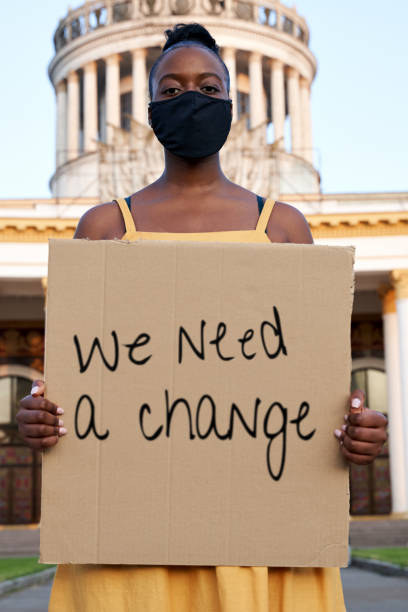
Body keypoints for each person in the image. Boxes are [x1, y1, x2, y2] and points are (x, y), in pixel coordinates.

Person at [17, 23, 387, 612]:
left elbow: (309, 401)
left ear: (233, 105)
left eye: (208, 88)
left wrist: (355, 433)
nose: (190, 99)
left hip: (260, 552)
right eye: (172, 89)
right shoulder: (102, 229)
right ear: (149, 108)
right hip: (125, 558)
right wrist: (41, 416)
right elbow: (77, 392)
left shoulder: (286, 229)